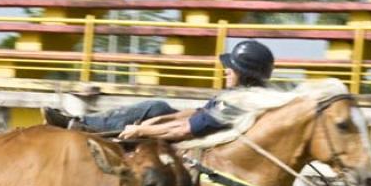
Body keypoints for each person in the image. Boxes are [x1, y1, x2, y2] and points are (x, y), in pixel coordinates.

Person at [42, 40, 275, 141]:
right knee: (157, 107)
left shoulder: (236, 104)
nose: (226, 71)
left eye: (231, 69)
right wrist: (161, 119)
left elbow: (184, 130)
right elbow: (196, 114)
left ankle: (82, 126)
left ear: (246, 74)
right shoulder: (238, 96)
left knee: (142, 131)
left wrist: (142, 132)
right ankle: (82, 124)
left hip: (197, 146)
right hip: (192, 131)